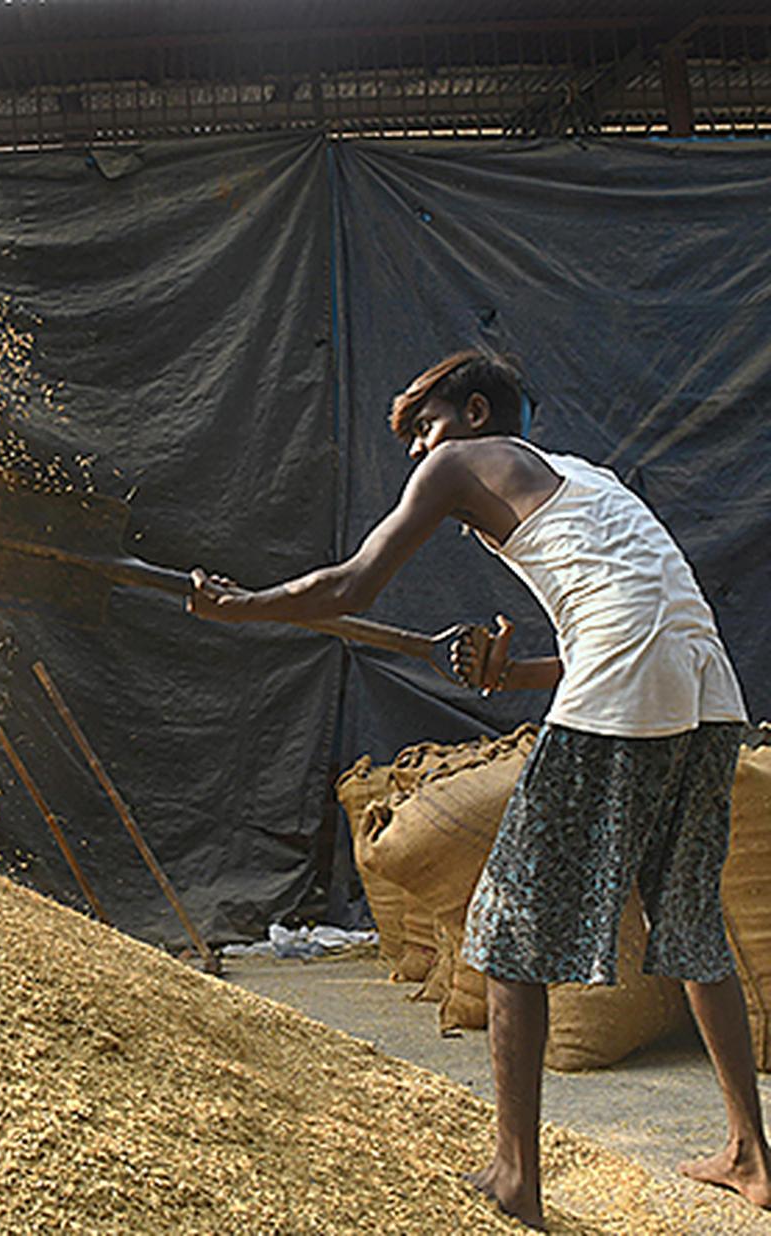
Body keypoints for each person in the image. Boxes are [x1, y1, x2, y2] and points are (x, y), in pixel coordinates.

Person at [186, 349, 768, 1231]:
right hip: (707, 687)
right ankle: (751, 1156)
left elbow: (351, 585)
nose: (422, 453)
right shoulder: (589, 481)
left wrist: (239, 608)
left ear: (475, 413)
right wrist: (512, 674)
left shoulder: (462, 463)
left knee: (505, 929)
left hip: (630, 680)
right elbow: (630, 629)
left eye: (424, 429)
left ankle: (512, 1176)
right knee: (683, 916)